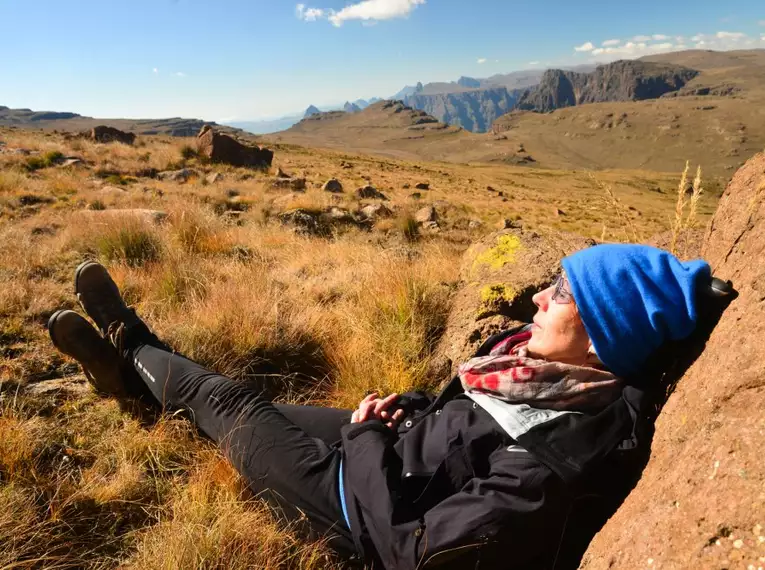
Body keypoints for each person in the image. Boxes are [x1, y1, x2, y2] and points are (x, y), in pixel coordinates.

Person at [47, 244, 730, 569]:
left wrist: (366, 439)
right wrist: (403, 413)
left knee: (225, 401)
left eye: (561, 295)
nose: (537, 301)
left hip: (350, 505)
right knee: (251, 410)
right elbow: (463, 432)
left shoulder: (551, 462)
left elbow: (408, 550)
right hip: (390, 448)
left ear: (604, 332)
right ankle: (127, 381)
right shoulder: (553, 372)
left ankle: (130, 337)